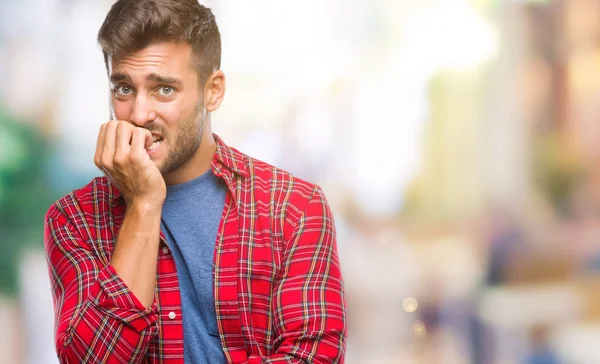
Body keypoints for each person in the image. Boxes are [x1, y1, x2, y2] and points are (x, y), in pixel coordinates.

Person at [43, 1, 347, 363]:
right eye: (124, 88)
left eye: (164, 90)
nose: (139, 114)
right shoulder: (73, 219)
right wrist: (143, 204)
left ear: (213, 91)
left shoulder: (294, 208)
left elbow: (314, 358)